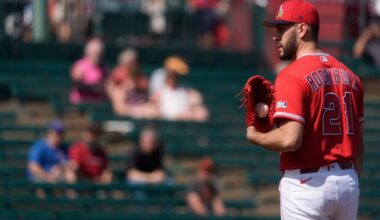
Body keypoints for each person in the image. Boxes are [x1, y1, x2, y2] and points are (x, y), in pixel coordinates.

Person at [246, 1, 364, 219]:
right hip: (347, 180)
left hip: (307, 186)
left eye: (282, 28)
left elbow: (290, 140)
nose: (276, 36)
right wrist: (350, 177)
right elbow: (358, 143)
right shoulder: (351, 76)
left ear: (302, 29)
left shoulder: (292, 75)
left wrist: (255, 136)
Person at [151, 56, 209, 121]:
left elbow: (197, 100)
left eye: (177, 75)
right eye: (174, 74)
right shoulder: (159, 85)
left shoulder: (186, 89)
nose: (175, 77)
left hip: (183, 121)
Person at [106, 49, 154, 118]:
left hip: (142, 112)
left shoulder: (141, 78)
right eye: (131, 64)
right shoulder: (117, 78)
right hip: (126, 115)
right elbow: (120, 109)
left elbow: (149, 100)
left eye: (136, 63)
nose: (134, 67)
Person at [70, 38, 106, 104]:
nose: (98, 55)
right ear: (88, 52)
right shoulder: (80, 66)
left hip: (98, 101)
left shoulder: (103, 68)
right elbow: (76, 83)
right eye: (96, 52)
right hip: (82, 101)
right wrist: (93, 87)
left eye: (100, 53)